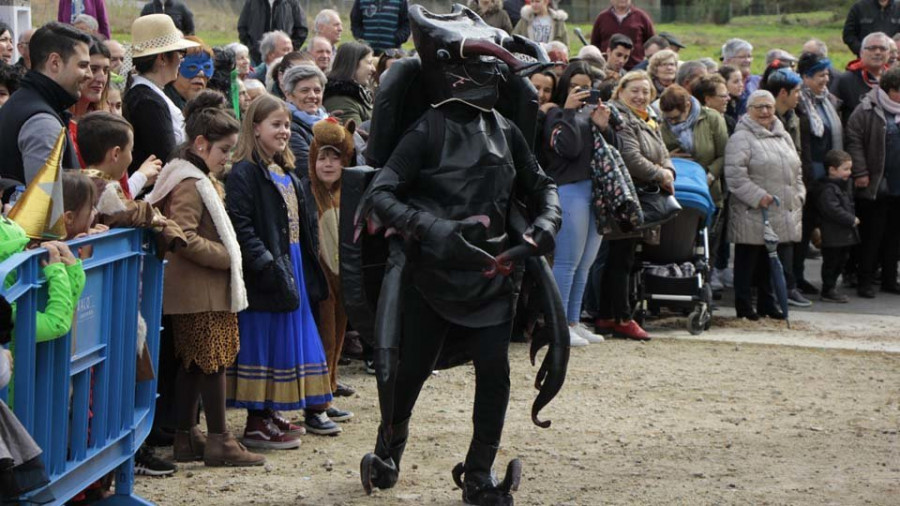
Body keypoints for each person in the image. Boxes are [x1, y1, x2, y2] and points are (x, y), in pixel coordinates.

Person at [356, 7, 562, 502]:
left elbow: (542, 187)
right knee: (410, 373)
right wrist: (434, 229)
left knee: (495, 375)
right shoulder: (426, 129)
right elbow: (380, 194)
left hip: (495, 276)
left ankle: (478, 474)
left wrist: (541, 230)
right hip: (432, 275)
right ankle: (388, 451)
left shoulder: (505, 129)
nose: (494, 75)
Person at [143, 92, 267, 468]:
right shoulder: (189, 181)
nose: (227, 158)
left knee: (197, 364)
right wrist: (227, 257)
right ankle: (219, 440)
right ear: (201, 144)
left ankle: (187, 436)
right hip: (200, 290)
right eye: (224, 150)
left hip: (202, 290)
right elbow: (181, 234)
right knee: (213, 362)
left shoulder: (194, 175)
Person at [225, 95, 338, 443]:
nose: (285, 131)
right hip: (269, 269)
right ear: (255, 128)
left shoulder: (285, 169)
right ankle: (257, 419)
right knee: (265, 339)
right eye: (276, 124)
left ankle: (272, 411)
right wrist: (265, 263)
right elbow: (241, 224)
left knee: (287, 340)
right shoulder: (245, 172)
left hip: (292, 263)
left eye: (287, 124)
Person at [543, 61, 611, 346]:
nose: (580, 92)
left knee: (585, 263)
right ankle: (557, 326)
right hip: (569, 189)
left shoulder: (592, 115)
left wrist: (602, 127)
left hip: (592, 192)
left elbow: (610, 152)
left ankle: (573, 320)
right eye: (574, 86)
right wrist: (570, 111)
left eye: (585, 87)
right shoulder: (556, 115)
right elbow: (568, 149)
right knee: (567, 261)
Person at [725, 90, 804, 320]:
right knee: (748, 260)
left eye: (768, 106)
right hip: (752, 210)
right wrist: (758, 196)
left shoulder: (783, 135)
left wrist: (799, 194)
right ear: (748, 110)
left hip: (780, 210)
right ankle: (744, 305)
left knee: (770, 262)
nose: (765, 111)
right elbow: (735, 176)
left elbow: (796, 169)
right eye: (758, 107)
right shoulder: (741, 138)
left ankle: (767, 303)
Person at [305, 118, 358, 415]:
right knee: (322, 337)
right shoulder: (307, 193)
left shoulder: (347, 195)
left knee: (337, 335)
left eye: (334, 158)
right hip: (319, 281)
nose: (327, 164)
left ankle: (330, 387)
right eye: (322, 157)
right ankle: (318, 402)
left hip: (342, 279)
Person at [0, 22, 91, 185]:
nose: (89, 75)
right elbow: (46, 203)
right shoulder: (42, 122)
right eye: (83, 65)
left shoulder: (24, 101)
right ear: (55, 62)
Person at [845, 66, 900, 297]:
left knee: (895, 236)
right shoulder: (866, 109)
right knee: (872, 236)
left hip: (898, 184)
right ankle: (864, 280)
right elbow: (854, 141)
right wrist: (861, 172)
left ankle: (890, 278)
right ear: (891, 89)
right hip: (875, 184)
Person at [123, 15, 199, 179]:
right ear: (162, 58)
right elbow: (168, 160)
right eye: (180, 52)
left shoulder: (148, 92)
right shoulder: (148, 101)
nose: (182, 59)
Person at [795, 52, 843, 296]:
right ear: (805, 77)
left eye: (827, 74)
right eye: (819, 75)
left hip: (827, 175)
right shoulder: (799, 103)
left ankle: (819, 279)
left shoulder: (830, 101)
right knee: (802, 230)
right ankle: (796, 276)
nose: (825, 79)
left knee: (819, 226)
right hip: (807, 173)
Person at [659, 84, 728, 207]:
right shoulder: (662, 125)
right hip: (675, 193)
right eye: (669, 118)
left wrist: (709, 176)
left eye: (676, 118)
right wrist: (668, 158)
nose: (672, 122)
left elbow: (724, 154)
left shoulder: (712, 118)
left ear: (687, 105)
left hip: (707, 192)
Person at [815, 150, 860, 303]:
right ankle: (828, 289)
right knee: (831, 263)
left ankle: (831, 288)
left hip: (841, 235)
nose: (849, 172)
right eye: (846, 169)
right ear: (832, 170)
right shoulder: (829, 189)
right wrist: (851, 219)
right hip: (833, 235)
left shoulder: (841, 186)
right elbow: (832, 209)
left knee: (841, 261)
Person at [833, 32, 891, 125]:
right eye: (872, 48)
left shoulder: (894, 79)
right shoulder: (845, 80)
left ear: (889, 54)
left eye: (882, 48)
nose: (877, 52)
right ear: (861, 53)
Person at [283, 64, 328, 173]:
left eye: (317, 90)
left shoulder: (329, 120)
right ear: (289, 95)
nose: (312, 96)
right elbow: (307, 167)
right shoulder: (288, 126)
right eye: (305, 91)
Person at [590, 0, 654, 70]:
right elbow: (594, 45)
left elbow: (651, 43)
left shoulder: (642, 17)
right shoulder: (602, 18)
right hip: (606, 70)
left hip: (635, 70)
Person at [238, 0, 307, 65]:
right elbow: (242, 27)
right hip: (256, 58)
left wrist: (289, 50)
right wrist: (252, 49)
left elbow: (301, 29)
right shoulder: (252, 2)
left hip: (284, 60)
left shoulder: (291, 2)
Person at [324, 42, 374, 126]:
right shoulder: (340, 99)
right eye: (369, 63)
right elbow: (354, 136)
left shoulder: (360, 95)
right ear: (353, 64)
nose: (374, 69)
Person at [165, 36, 214, 111]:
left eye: (206, 67)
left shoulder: (209, 107)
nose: (201, 73)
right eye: (192, 67)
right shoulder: (162, 106)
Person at [721, 38, 760, 117]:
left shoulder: (757, 81)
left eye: (749, 56)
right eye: (743, 57)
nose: (748, 60)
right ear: (728, 60)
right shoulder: (719, 83)